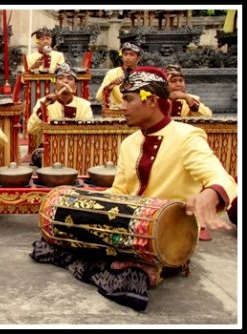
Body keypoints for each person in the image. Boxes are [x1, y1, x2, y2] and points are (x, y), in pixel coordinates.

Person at [30, 66, 238, 311]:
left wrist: (210, 193)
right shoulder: (130, 143)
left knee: (126, 278)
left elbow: (222, 178)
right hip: (128, 228)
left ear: (150, 100)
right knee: (51, 242)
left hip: (168, 237)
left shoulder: (187, 137)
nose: (122, 106)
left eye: (128, 99)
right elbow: (119, 193)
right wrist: (83, 204)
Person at [26, 63, 93, 167]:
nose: (65, 81)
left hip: (76, 150)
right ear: (55, 83)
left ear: (75, 86)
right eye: (61, 78)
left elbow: (88, 134)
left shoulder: (84, 105)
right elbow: (31, 129)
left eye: (70, 78)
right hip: (49, 150)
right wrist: (43, 108)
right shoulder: (43, 102)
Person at [95, 42, 142, 110]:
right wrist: (111, 85)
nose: (128, 57)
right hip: (117, 113)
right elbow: (99, 97)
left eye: (132, 55)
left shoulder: (143, 74)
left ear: (138, 58)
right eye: (125, 54)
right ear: (122, 56)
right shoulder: (112, 73)